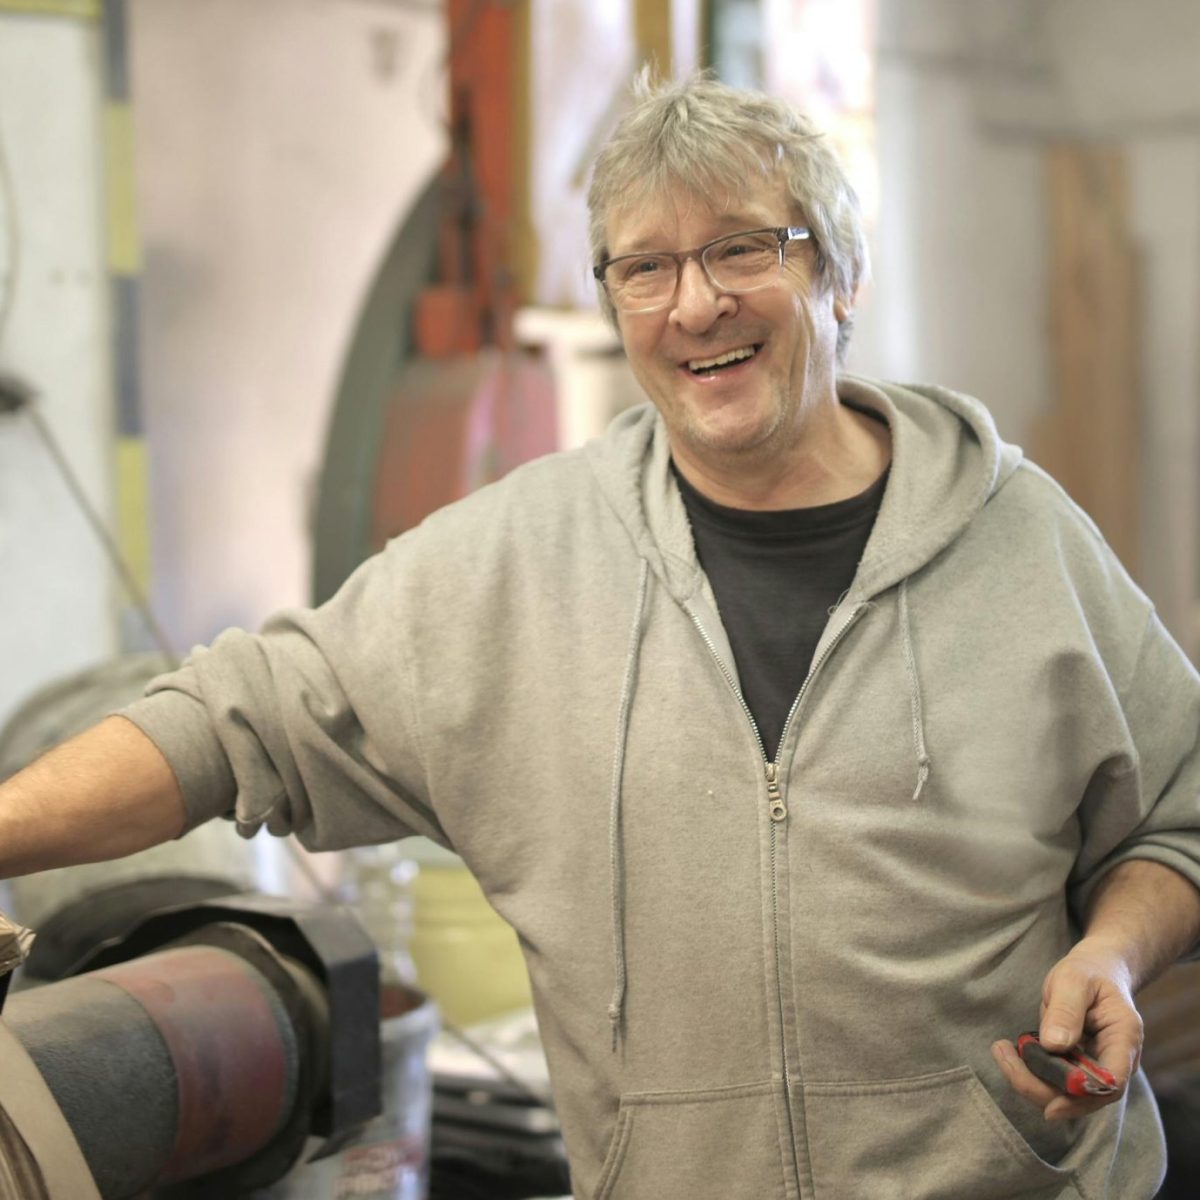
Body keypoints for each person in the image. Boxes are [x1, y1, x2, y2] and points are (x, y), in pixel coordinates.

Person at [3, 73, 1199, 1199]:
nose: (695, 303)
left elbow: (1178, 813)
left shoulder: (1017, 539)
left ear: (840, 276)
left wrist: (1114, 953)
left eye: (742, 248)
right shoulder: (511, 565)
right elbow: (234, 719)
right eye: (646, 267)